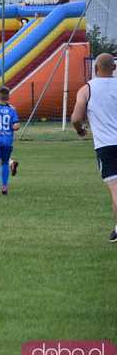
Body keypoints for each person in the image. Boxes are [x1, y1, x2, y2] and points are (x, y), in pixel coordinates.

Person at [71, 53, 117, 242]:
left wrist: (81, 130)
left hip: (106, 146)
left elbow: (75, 118)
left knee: (115, 189)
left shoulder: (86, 89)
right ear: (114, 68)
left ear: (96, 68)